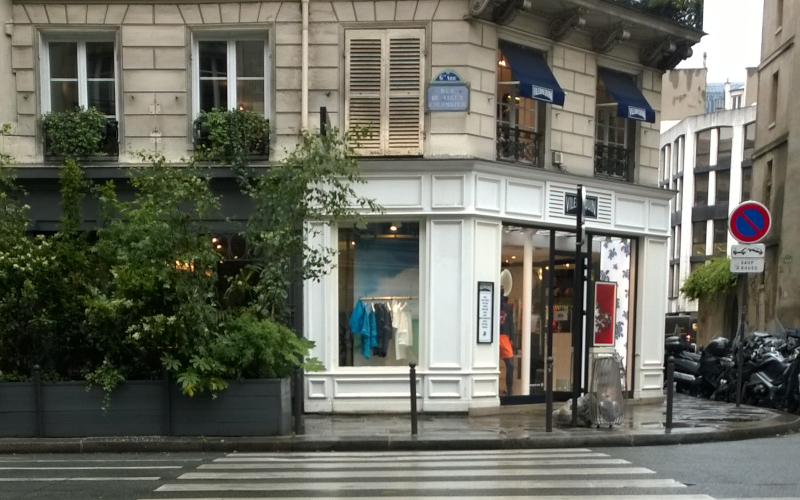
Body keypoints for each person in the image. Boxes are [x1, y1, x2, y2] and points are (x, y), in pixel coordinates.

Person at [499, 288, 515, 396]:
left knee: (510, 365)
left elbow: (510, 323)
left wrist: (512, 338)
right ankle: (508, 391)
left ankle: (509, 391)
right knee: (509, 365)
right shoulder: (505, 307)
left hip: (504, 336)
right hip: (498, 336)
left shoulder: (508, 308)